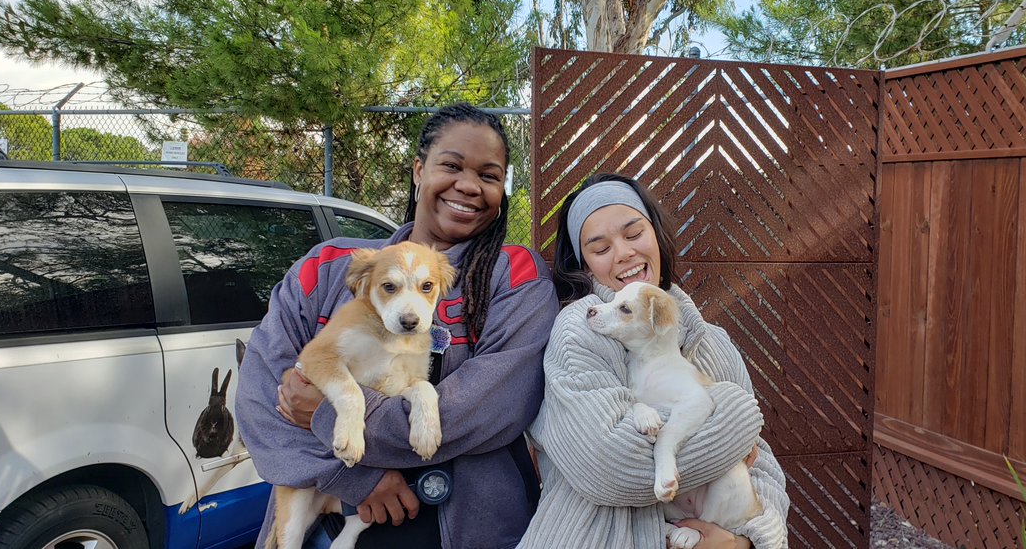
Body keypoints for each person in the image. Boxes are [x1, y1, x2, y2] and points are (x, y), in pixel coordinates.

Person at [234, 103, 559, 549]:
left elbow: (490, 409)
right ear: (418, 171)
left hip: (472, 529)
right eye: (451, 166)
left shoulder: (516, 275)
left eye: (489, 175)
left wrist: (329, 413)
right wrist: (352, 477)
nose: (469, 185)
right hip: (323, 529)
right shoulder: (329, 265)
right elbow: (262, 393)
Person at [518, 173, 790, 549]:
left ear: (657, 235)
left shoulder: (713, 341)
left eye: (634, 234)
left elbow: (762, 468)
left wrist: (744, 541)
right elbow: (610, 468)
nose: (624, 253)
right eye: (601, 248)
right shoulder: (577, 333)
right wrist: (736, 416)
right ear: (584, 265)